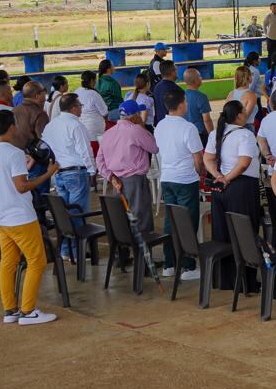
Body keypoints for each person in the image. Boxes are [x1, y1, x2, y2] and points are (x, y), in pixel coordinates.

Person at [0, 110, 60, 326]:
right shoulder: (13, 153)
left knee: (8, 262)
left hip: (2, 217)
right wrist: (48, 173)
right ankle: (28, 310)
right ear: (12, 127)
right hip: (20, 217)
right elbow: (22, 186)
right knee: (37, 260)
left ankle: (10, 310)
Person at [203, 100, 261, 289]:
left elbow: (208, 159)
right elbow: (244, 163)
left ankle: (226, 279)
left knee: (223, 233)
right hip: (241, 187)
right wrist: (227, 177)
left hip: (221, 189)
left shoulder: (215, 133)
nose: (247, 113)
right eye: (244, 111)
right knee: (245, 232)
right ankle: (247, 281)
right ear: (238, 115)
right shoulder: (245, 135)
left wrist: (218, 175)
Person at [154, 88, 204, 280]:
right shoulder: (188, 127)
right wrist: (198, 174)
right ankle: (188, 266)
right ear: (181, 104)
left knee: (170, 221)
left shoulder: (160, 125)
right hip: (185, 179)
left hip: (167, 178)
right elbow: (197, 158)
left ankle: (169, 264)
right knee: (188, 222)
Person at [41, 93, 95, 260]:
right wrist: (92, 170)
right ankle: (78, 251)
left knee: (63, 213)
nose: (81, 108)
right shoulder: (76, 125)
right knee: (77, 212)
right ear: (73, 108)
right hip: (76, 172)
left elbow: (45, 147)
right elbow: (85, 151)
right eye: (80, 105)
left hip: (59, 172)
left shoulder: (51, 125)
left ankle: (65, 250)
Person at [96, 99, 158, 231]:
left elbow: (99, 161)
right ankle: (142, 251)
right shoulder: (136, 130)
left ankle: (125, 250)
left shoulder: (108, 133)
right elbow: (154, 148)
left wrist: (111, 177)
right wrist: (141, 126)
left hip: (116, 180)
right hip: (135, 181)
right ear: (135, 116)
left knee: (121, 221)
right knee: (140, 220)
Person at [12, 81, 50, 202]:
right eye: (44, 92)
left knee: (26, 197)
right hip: (35, 162)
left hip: (17, 160)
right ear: (37, 95)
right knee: (40, 198)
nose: (45, 96)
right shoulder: (39, 114)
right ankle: (41, 220)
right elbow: (43, 142)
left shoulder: (14, 111)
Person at [75, 70, 108, 143]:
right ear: (92, 81)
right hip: (95, 129)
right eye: (95, 80)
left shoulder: (76, 91)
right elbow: (104, 112)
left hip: (81, 127)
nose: (95, 82)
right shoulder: (94, 94)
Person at [182, 68, 213, 143]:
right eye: (200, 76)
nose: (201, 78)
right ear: (195, 80)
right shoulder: (201, 97)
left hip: (185, 132)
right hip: (199, 134)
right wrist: (212, 135)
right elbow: (207, 120)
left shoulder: (181, 96)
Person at [152, 60, 182, 127]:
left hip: (160, 124)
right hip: (172, 125)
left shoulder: (157, 87)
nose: (177, 72)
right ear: (171, 72)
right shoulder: (175, 89)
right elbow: (179, 110)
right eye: (176, 70)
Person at [228, 65, 258, 131]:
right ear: (249, 78)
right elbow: (244, 117)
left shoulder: (230, 94)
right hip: (246, 127)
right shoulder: (251, 95)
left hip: (231, 127)